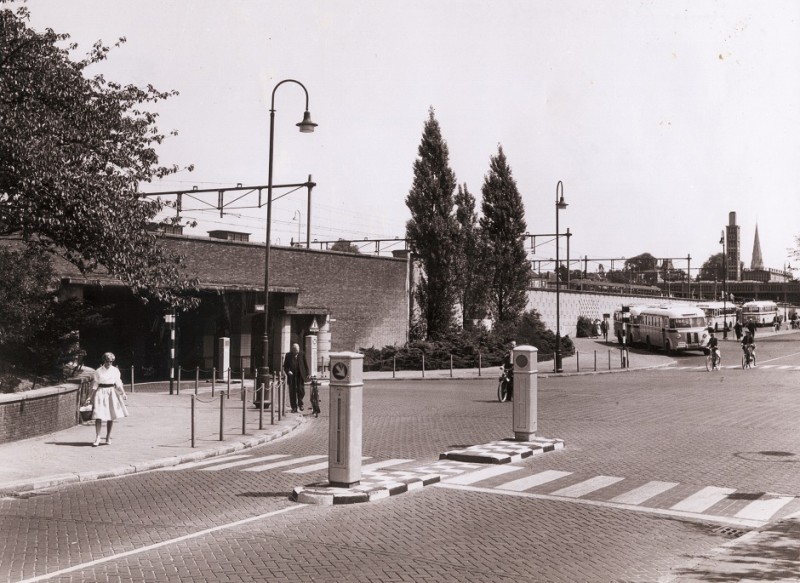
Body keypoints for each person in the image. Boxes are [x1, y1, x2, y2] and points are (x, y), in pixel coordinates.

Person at [90, 352, 128, 447]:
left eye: (111, 361)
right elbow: (95, 384)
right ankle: (98, 437)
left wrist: (123, 393)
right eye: (107, 361)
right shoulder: (98, 371)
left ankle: (108, 436)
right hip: (100, 392)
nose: (109, 363)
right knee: (98, 415)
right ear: (104, 361)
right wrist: (90, 396)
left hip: (111, 392)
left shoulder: (115, 370)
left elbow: (118, 382)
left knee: (110, 415)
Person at [283, 343, 309, 413]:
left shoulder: (302, 354)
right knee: (292, 391)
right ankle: (294, 407)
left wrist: (307, 373)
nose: (296, 353)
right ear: (292, 350)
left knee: (301, 390)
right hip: (292, 376)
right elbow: (285, 366)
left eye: (297, 351)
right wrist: (288, 372)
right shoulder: (288, 355)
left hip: (300, 375)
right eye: (295, 351)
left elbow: (305, 365)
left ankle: (300, 403)